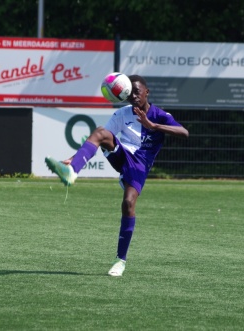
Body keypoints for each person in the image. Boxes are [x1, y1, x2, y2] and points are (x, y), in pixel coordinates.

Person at [45, 74, 189, 277]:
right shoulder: (122, 114)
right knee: (101, 132)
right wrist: (73, 158)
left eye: (137, 93)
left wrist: (153, 126)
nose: (133, 97)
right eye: (130, 94)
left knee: (128, 204)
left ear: (147, 92)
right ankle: (72, 171)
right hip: (122, 156)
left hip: (140, 165)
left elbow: (184, 133)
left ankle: (120, 260)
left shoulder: (159, 115)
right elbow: (100, 138)